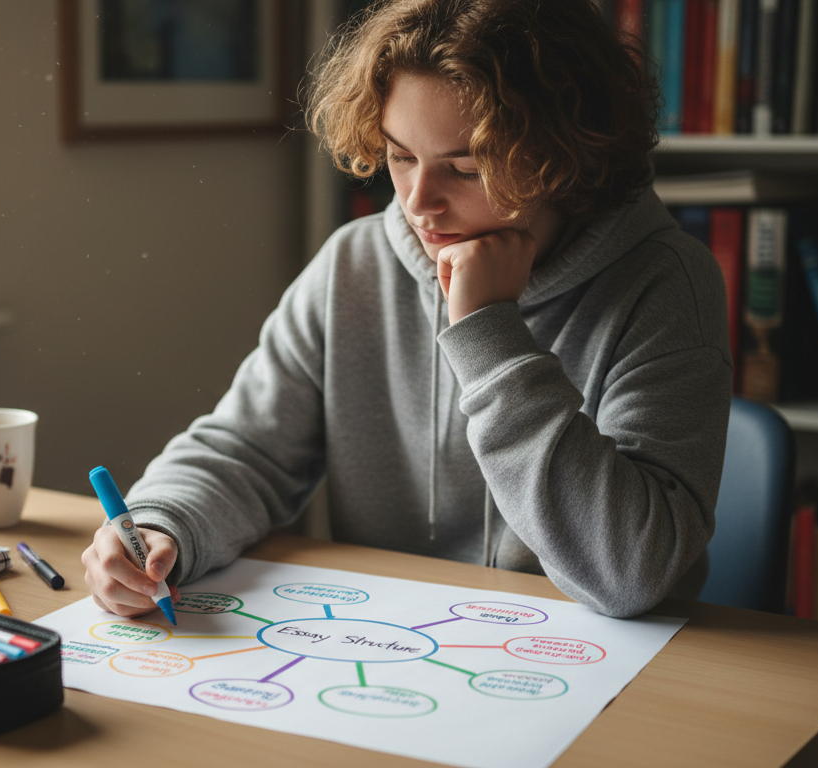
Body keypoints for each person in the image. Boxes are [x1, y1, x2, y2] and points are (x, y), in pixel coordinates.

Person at [82, 0, 732, 619]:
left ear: (562, 157)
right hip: (396, 646)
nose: (419, 201)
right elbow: (247, 448)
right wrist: (163, 520)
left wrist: (487, 333)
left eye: (466, 168)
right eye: (400, 156)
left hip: (598, 670)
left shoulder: (664, 283)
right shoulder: (355, 264)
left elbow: (632, 572)